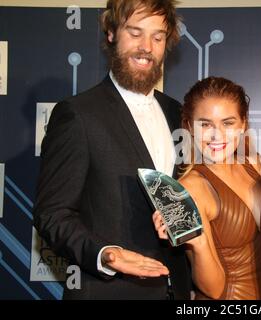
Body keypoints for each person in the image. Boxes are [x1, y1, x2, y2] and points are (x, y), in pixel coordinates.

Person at [33, 0, 191, 299]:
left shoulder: (177, 112)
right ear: (111, 33)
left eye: (157, 37)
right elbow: (52, 214)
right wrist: (107, 254)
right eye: (135, 33)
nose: (146, 47)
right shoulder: (78, 114)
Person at [153, 77, 261, 299]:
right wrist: (199, 242)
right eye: (205, 124)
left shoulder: (254, 164)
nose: (217, 135)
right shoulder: (190, 189)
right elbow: (213, 290)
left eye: (228, 123)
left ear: (243, 123)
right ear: (189, 127)